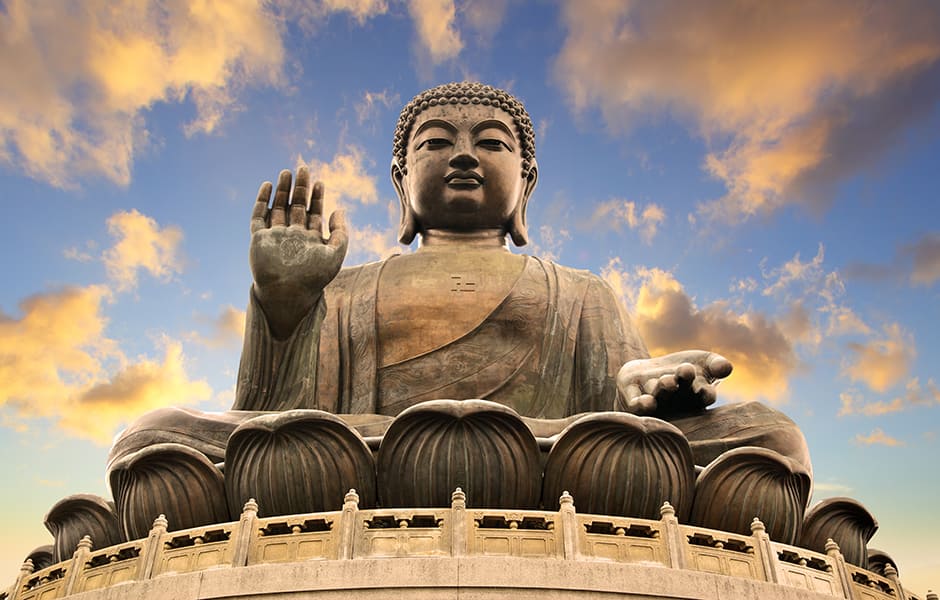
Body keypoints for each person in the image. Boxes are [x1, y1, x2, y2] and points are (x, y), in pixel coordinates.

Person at [108, 82, 811, 542]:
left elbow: (619, 407)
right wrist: (286, 307)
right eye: (437, 142)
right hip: (366, 451)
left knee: (772, 436)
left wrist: (647, 394)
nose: (465, 156)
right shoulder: (349, 286)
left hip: (550, 451)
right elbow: (275, 414)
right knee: (152, 435)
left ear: (525, 180)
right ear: (402, 181)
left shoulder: (582, 291)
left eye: (491, 143)